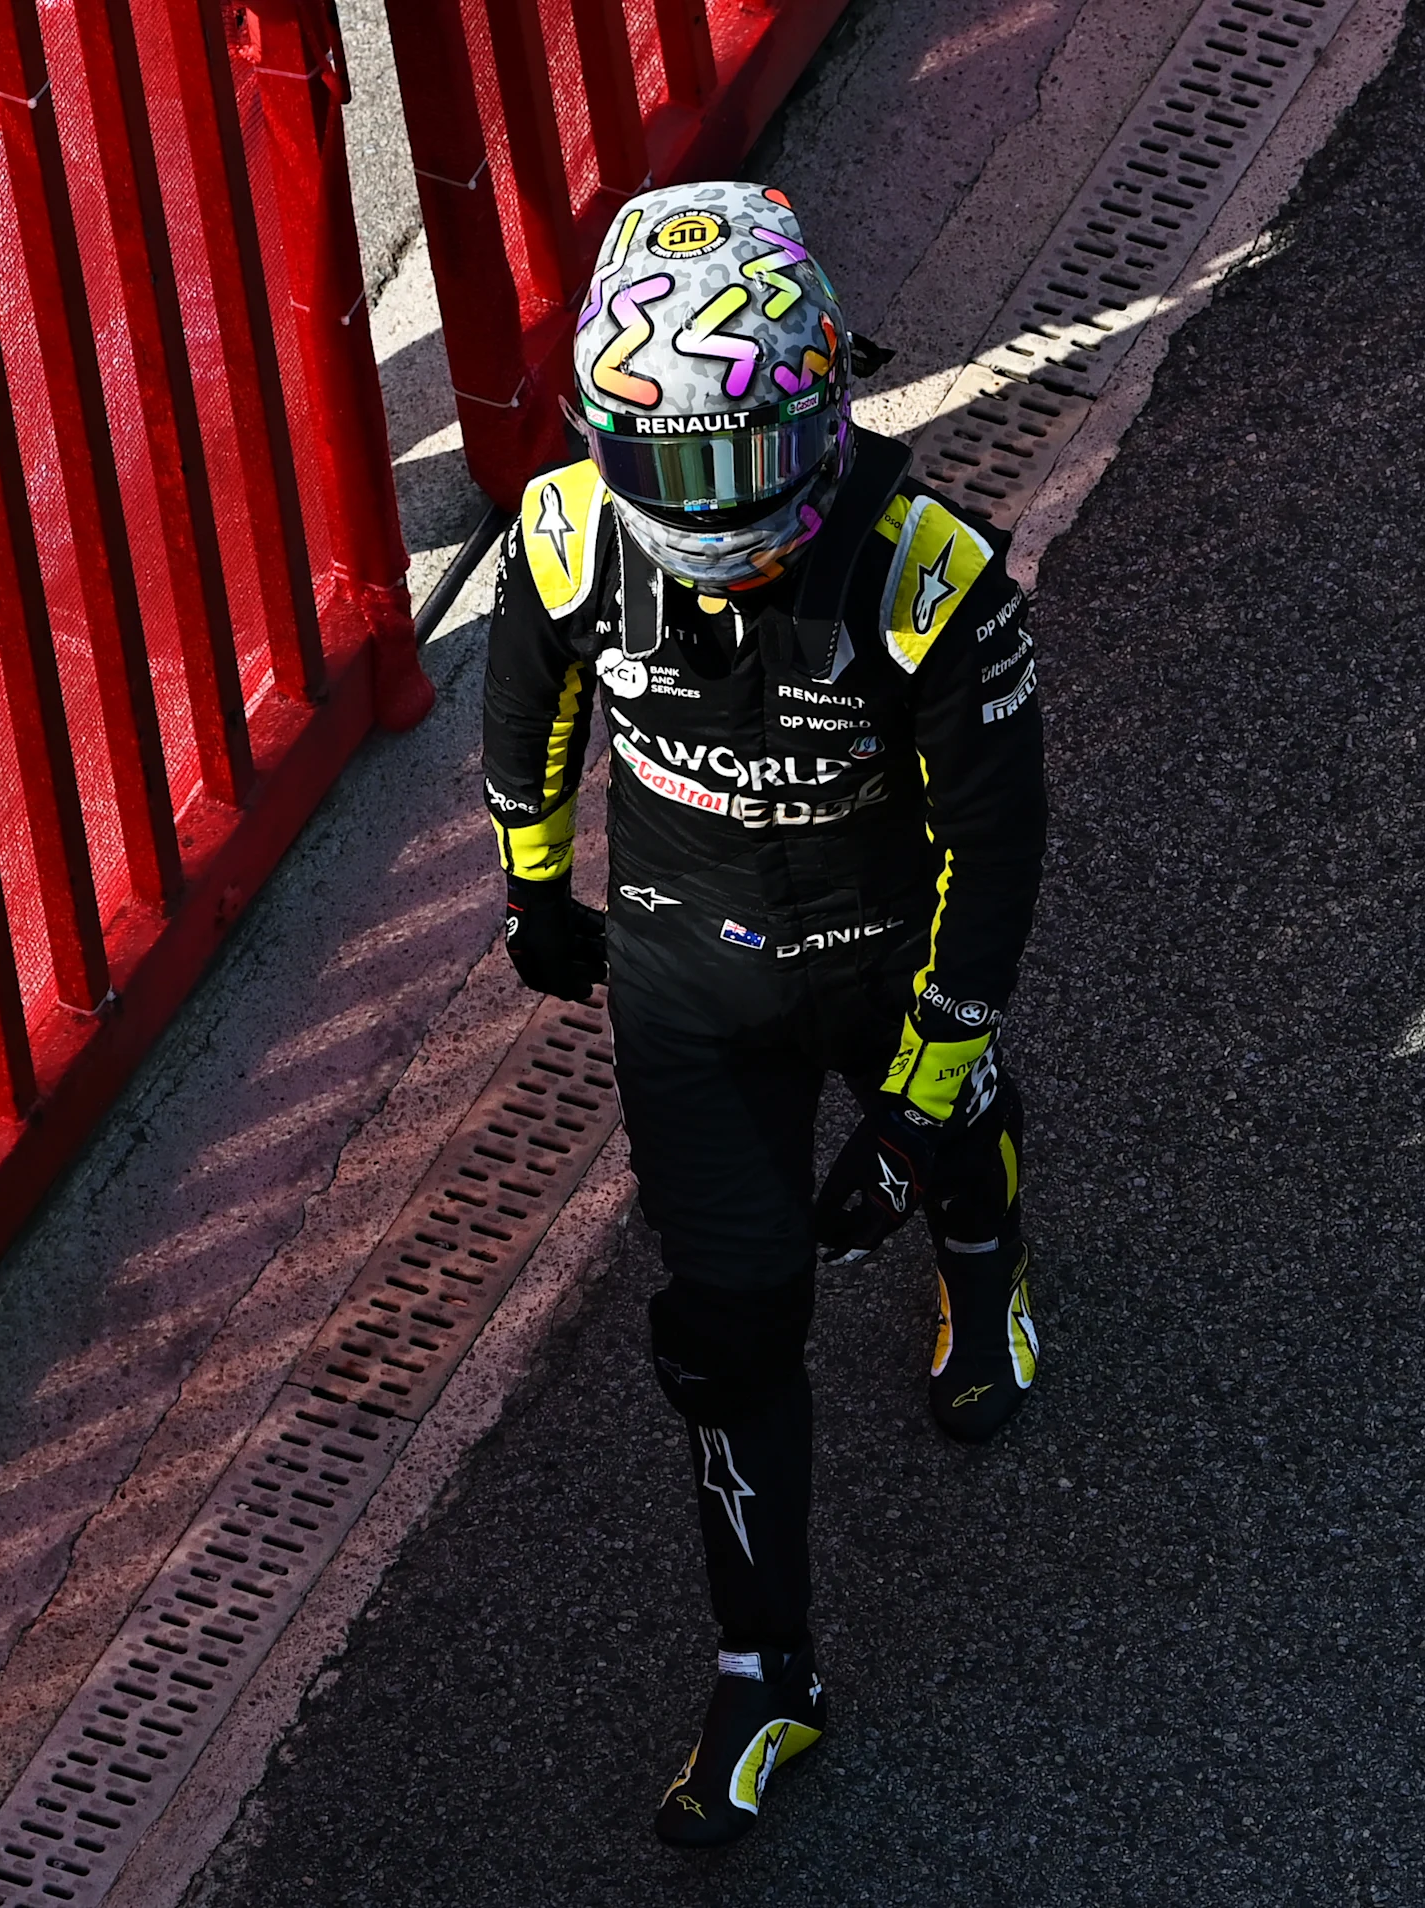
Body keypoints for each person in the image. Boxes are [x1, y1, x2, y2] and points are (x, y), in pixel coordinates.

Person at [478, 180, 1048, 1849]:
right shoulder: (571, 531)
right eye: (661, 464)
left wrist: (950, 1031)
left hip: (886, 965)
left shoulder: (927, 574)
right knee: (726, 1335)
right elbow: (530, 703)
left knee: (942, 1136)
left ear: (820, 411)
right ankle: (764, 1674)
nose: (695, 504)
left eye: (730, 463)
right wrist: (530, 890)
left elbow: (1000, 831)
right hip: (685, 992)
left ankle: (988, 1267)